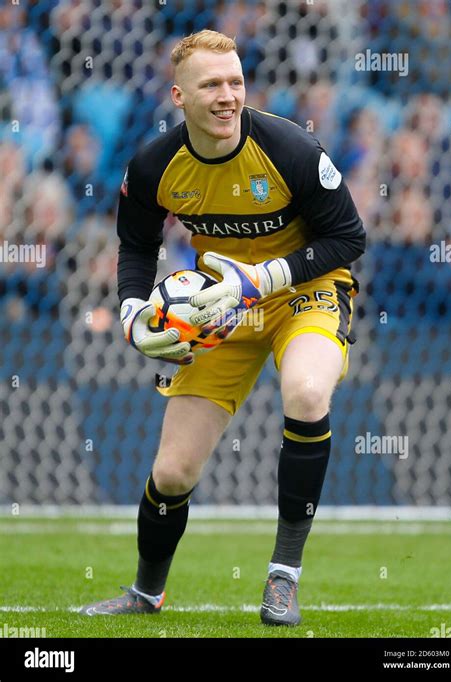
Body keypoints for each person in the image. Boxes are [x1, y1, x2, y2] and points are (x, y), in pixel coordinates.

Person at [80, 29, 365, 626]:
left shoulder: (289, 146)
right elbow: (136, 246)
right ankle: (145, 594)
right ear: (179, 96)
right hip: (222, 311)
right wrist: (132, 311)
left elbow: (348, 237)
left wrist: (269, 277)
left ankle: (283, 578)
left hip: (306, 292)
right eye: (211, 84)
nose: (228, 95)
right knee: (173, 470)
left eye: (235, 81)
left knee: (308, 393)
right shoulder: (156, 165)